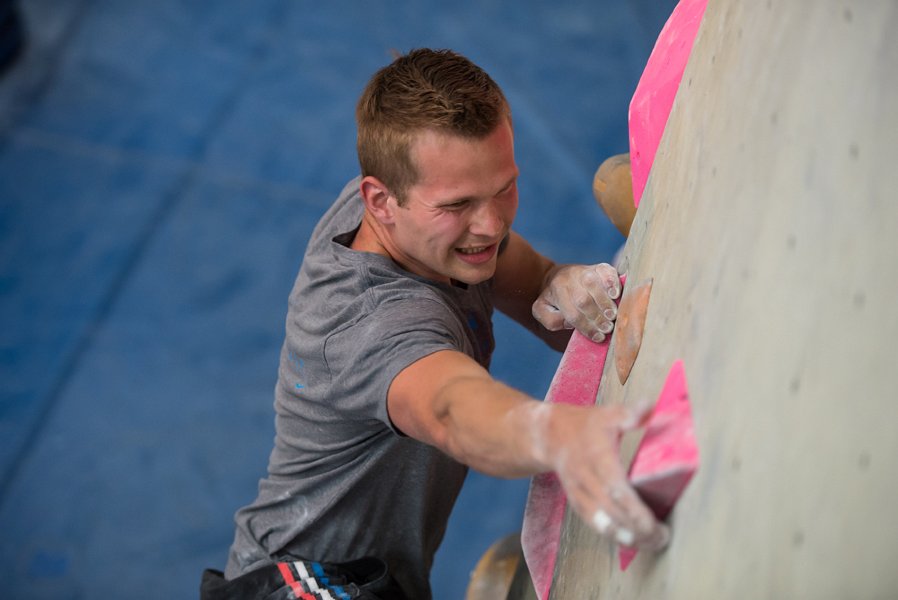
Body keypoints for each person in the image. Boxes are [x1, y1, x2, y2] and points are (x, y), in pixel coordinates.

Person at [218, 48, 669, 599]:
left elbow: (534, 292)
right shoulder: (370, 326)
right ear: (379, 201)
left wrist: (560, 282)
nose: (491, 224)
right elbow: (450, 408)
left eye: (503, 188)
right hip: (297, 584)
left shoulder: (418, 217)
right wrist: (555, 433)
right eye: (458, 205)